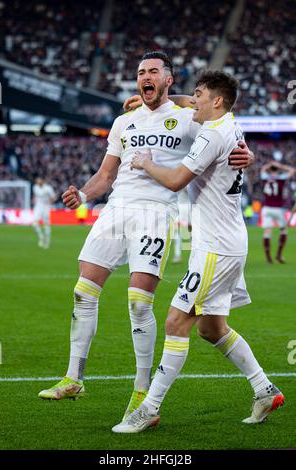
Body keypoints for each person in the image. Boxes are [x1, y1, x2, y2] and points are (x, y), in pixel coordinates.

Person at [38, 53, 253, 420]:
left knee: (139, 303)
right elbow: (106, 175)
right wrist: (85, 195)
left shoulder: (188, 118)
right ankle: (73, 377)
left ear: (168, 79)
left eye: (153, 71)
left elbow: (222, 122)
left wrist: (244, 153)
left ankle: (140, 392)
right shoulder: (124, 122)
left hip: (156, 214)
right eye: (141, 73)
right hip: (116, 210)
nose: (145, 77)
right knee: (82, 291)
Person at [112, 70, 284, 433]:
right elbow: (190, 106)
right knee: (211, 328)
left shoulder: (211, 135)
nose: (194, 100)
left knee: (176, 321)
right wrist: (159, 101)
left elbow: (175, 181)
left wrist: (145, 163)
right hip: (227, 243)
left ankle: (148, 408)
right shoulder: (231, 123)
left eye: (199, 95)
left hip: (215, 249)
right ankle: (264, 389)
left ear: (216, 101)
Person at [261, 160, 295, 263]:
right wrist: (280, 166)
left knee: (267, 231)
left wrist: (269, 164)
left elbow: (262, 169)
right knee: (284, 230)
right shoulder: (281, 178)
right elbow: (292, 170)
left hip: (266, 208)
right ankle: (279, 255)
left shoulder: (265, 178)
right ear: (277, 170)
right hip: (278, 208)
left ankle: (268, 258)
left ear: (270, 170)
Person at [32, 177, 56, 249]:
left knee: (46, 224)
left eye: (39, 180)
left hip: (46, 206)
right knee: (34, 223)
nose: (38, 181)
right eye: (37, 180)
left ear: (42, 181)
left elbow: (53, 197)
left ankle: (47, 242)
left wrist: (50, 202)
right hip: (38, 206)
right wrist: (33, 200)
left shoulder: (48, 188)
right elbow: (35, 196)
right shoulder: (35, 187)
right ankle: (41, 238)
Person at [172, 188, 191, 263]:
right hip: (180, 209)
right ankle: (177, 255)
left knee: (193, 233)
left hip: (189, 208)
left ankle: (194, 253)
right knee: (177, 232)